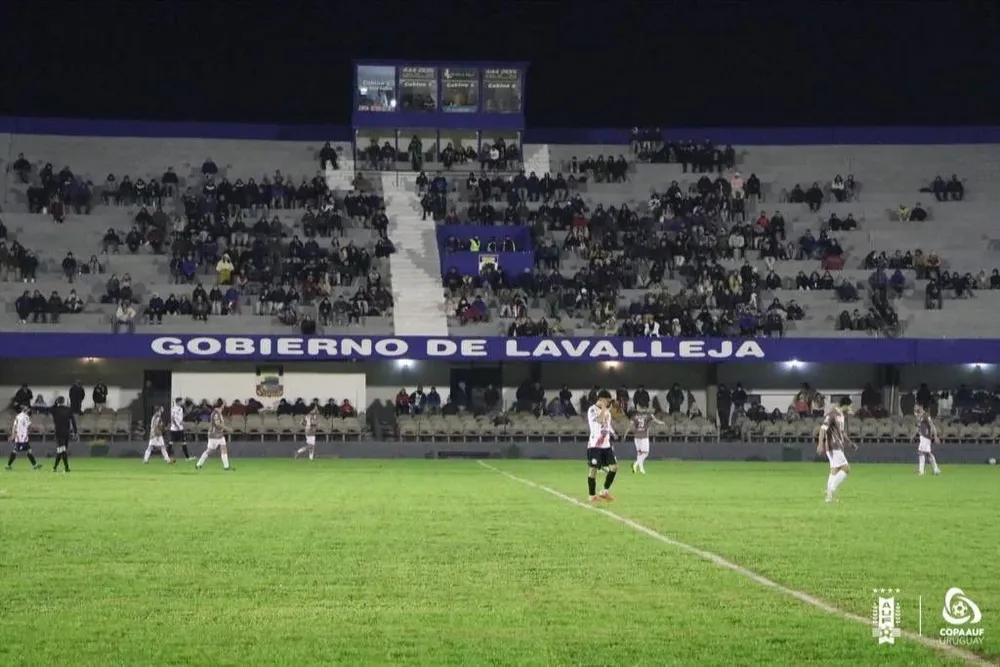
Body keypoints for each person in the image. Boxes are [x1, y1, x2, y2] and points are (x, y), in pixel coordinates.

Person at [816, 397, 856, 503]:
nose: (851, 409)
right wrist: (820, 444)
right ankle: (831, 491)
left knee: (834, 470)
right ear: (846, 406)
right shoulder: (833, 414)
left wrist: (850, 443)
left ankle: (829, 497)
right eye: (850, 406)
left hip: (836, 446)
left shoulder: (841, 416)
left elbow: (842, 432)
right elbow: (823, 428)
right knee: (846, 468)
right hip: (833, 445)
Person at [586, 394, 618, 502]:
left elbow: (606, 425)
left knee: (614, 467)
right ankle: (591, 496)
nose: (608, 402)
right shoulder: (592, 410)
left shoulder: (607, 412)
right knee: (593, 470)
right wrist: (604, 409)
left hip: (606, 445)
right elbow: (600, 421)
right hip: (595, 445)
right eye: (606, 400)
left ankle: (604, 491)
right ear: (600, 399)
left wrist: (613, 433)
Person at [625, 407, 664, 475]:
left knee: (639, 453)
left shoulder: (634, 416)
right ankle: (635, 464)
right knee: (645, 453)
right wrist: (661, 422)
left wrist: (626, 433)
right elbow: (655, 420)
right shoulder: (649, 415)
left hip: (636, 436)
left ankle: (641, 469)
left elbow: (630, 425)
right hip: (644, 436)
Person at [196, 399, 233, 470]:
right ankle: (199, 464)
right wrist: (227, 429)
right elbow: (218, 424)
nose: (224, 406)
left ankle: (226, 466)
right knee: (209, 451)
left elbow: (220, 421)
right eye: (223, 405)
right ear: (221, 405)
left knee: (224, 449)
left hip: (220, 435)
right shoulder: (215, 414)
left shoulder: (218, 412)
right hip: (214, 435)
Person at [6, 405, 42, 470]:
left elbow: (14, 426)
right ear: (25, 410)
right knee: (15, 450)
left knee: (29, 451)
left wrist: (13, 434)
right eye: (28, 409)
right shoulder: (26, 417)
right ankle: (8, 465)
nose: (29, 410)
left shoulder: (18, 416)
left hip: (20, 437)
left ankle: (35, 465)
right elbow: (30, 426)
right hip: (22, 438)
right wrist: (37, 427)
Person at [51, 396, 78, 472]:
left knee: (62, 450)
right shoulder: (68, 410)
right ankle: (56, 468)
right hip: (66, 433)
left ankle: (65, 468)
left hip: (59, 433)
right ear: (64, 401)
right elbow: (73, 421)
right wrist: (75, 432)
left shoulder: (55, 410)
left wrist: (55, 403)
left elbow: (51, 409)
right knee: (62, 450)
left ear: (57, 401)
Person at [914, 404, 942, 476]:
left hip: (926, 437)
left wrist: (935, 436)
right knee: (928, 453)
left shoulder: (926, 416)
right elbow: (918, 426)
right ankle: (936, 469)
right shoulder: (918, 416)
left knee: (921, 452)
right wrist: (914, 434)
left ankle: (922, 471)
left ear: (920, 407)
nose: (915, 408)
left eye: (916, 406)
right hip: (922, 436)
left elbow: (932, 425)